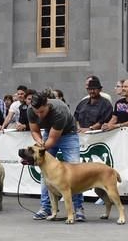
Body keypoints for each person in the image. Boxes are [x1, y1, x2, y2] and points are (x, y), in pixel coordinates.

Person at [27, 92, 85, 222]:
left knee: (75, 169)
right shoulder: (31, 110)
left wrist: (40, 149)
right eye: (37, 112)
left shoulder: (59, 111)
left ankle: (78, 208)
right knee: (45, 171)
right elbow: (35, 131)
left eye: (42, 112)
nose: (39, 115)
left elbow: (52, 140)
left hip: (68, 134)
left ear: (47, 104)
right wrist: (39, 141)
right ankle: (45, 208)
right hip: (49, 132)